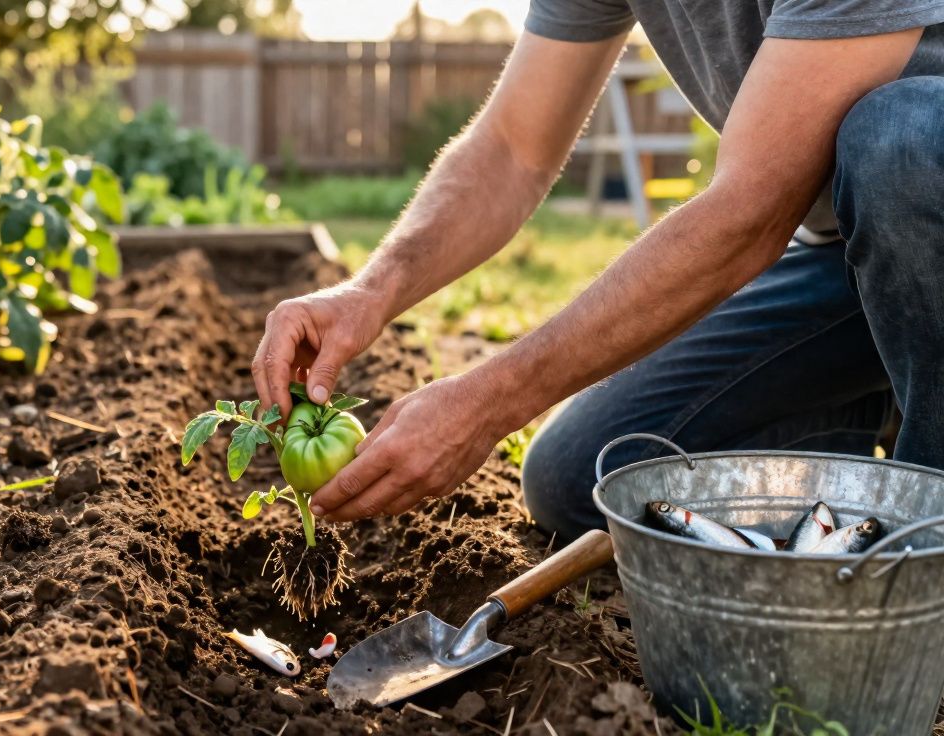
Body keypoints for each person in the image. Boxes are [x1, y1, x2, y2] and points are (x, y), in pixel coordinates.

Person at [251, 2, 944, 541]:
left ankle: (923, 547)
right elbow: (512, 149)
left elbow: (750, 213)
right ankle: (879, 404)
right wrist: (367, 293)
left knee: (899, 141)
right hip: (856, 262)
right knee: (582, 475)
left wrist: (488, 400)